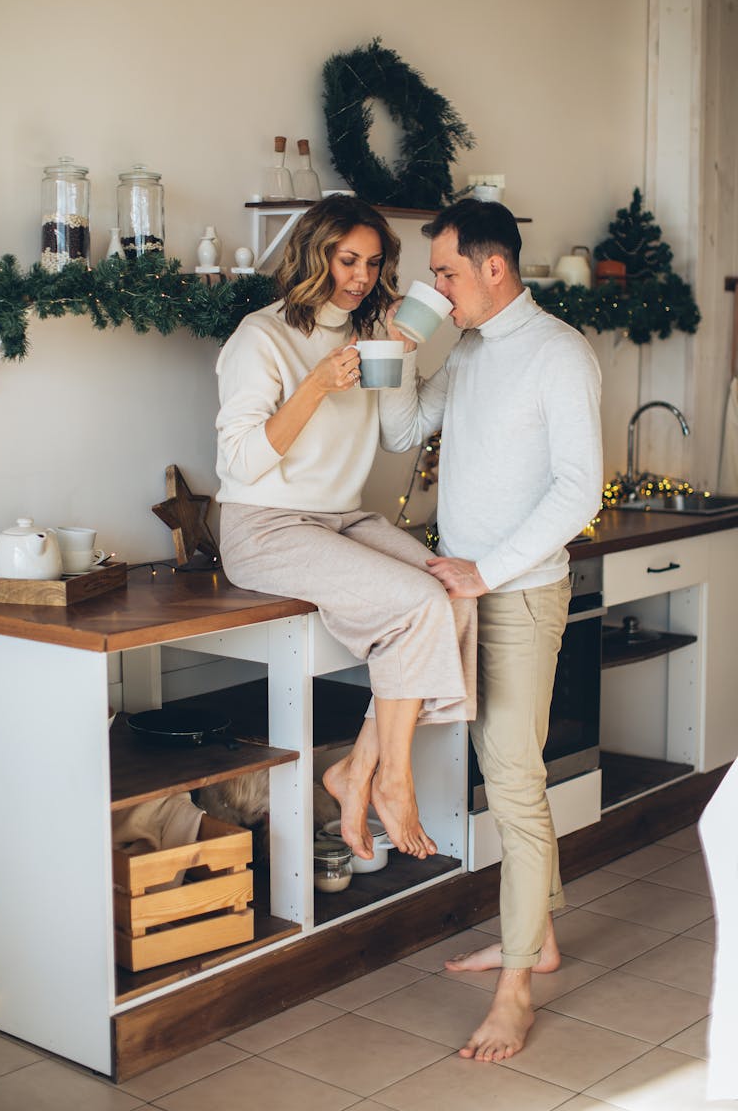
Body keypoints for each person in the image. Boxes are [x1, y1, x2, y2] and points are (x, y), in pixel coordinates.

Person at [380, 198, 602, 1062]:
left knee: (512, 784)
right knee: (503, 776)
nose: (434, 286)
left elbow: (580, 490)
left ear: (493, 267)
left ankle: (517, 988)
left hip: (519, 594)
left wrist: (486, 569)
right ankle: (536, 940)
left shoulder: (559, 354)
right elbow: (403, 428)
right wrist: (398, 351)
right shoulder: (467, 348)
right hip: (465, 595)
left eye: (444, 272)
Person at [214, 194, 476, 862]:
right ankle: (391, 776)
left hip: (338, 518)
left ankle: (358, 769)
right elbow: (240, 461)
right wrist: (315, 385)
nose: (359, 276)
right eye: (347, 259)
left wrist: (404, 353)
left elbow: (396, 436)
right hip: (263, 526)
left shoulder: (367, 332)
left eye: (373, 262)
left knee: (455, 588)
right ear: (315, 253)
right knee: (420, 603)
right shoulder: (260, 336)